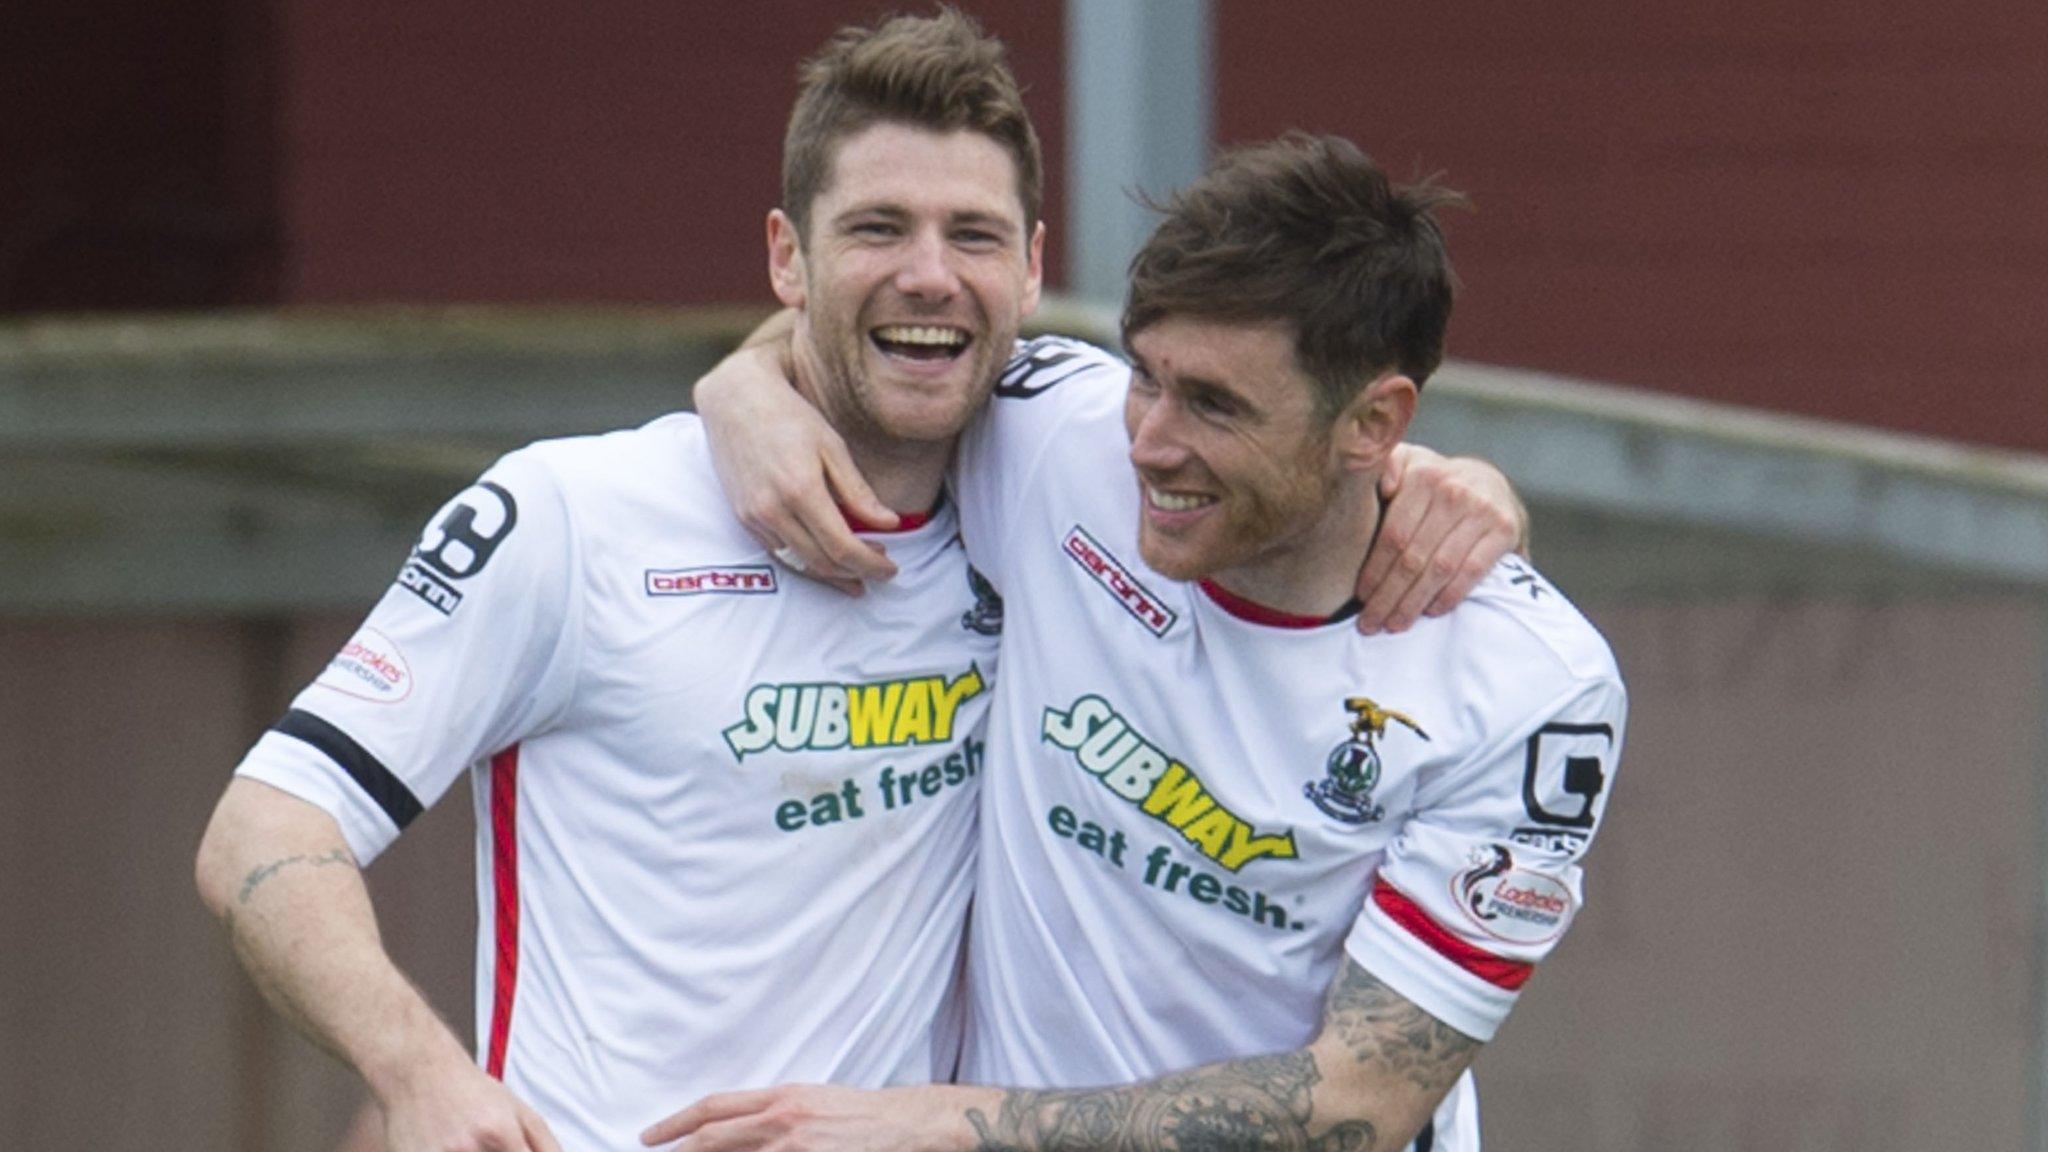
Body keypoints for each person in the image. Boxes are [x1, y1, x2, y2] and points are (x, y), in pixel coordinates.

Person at [193, 13, 1524, 1152]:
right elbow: (267, 830)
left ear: (1033, 266)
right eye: (877, 227)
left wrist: (1452, 483)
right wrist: (419, 1077)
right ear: (787, 257)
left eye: (973, 234)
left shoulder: (1065, 509)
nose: (930, 273)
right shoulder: (574, 517)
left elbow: (1297, 474)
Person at [645, 133, 1623, 1152]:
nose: (1149, 443)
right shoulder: (1056, 438)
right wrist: (746, 386)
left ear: (1372, 423)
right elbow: (882, 326)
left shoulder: (1530, 685)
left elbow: (1357, 1106)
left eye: (1213, 404)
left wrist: (951, 1127)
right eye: (1146, 375)